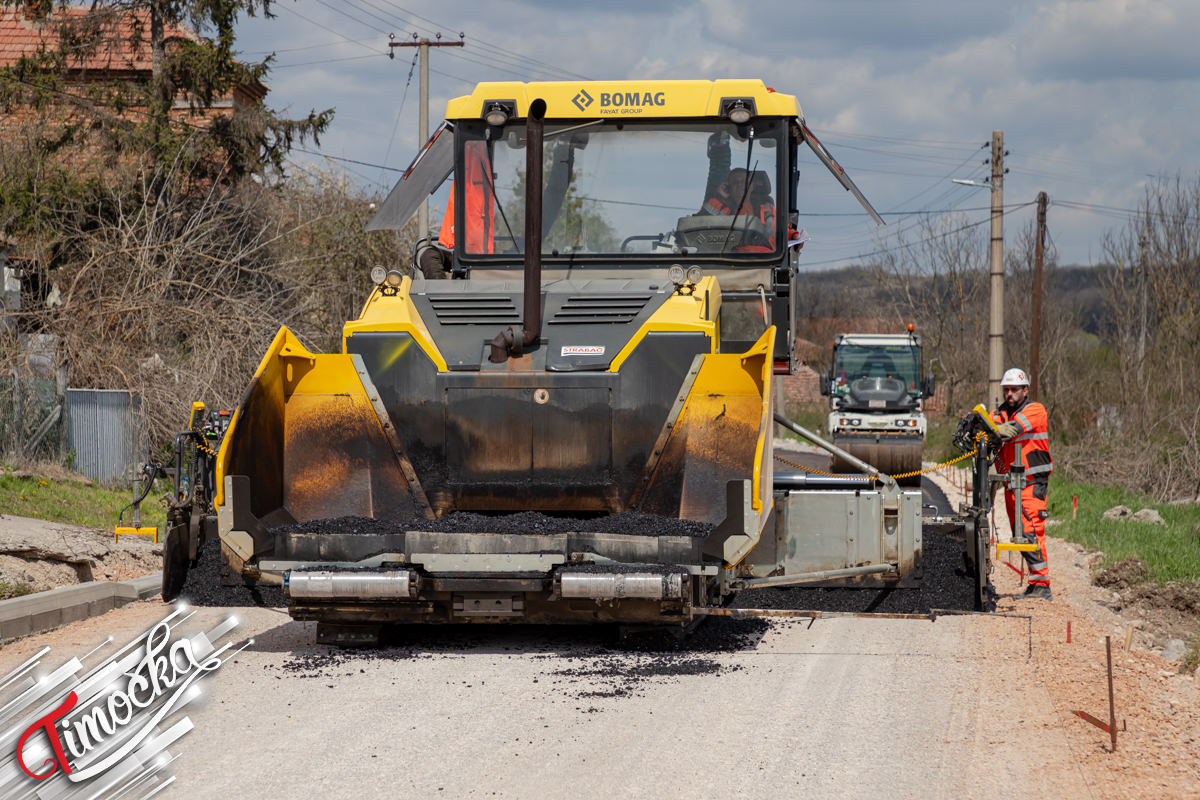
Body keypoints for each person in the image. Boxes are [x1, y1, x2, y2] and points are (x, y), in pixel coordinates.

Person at [992, 368, 1054, 599]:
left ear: (1025, 390)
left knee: (1031, 531)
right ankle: (1036, 582)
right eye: (1006, 390)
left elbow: (1013, 430)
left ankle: (1042, 585)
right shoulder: (1000, 415)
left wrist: (995, 430)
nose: (1009, 394)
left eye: (1014, 390)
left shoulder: (1035, 410)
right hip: (1012, 483)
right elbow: (991, 427)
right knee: (1020, 531)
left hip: (1031, 482)